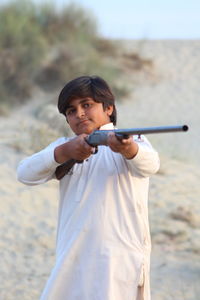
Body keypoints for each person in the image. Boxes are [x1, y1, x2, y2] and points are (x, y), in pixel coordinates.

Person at [17, 75, 160, 300]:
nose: (80, 114)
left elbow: (151, 165)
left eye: (87, 105)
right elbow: (24, 173)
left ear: (109, 108)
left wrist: (127, 148)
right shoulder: (64, 147)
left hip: (117, 262)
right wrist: (65, 152)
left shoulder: (134, 140)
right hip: (72, 261)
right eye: (71, 111)